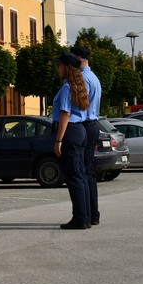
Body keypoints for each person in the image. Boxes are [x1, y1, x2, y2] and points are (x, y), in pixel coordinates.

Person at [53, 51, 91, 230]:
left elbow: (65, 113)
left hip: (70, 131)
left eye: (59, 65)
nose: (57, 68)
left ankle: (80, 218)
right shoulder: (78, 84)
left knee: (74, 176)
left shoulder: (68, 87)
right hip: (80, 130)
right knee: (80, 175)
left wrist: (58, 140)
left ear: (66, 68)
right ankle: (85, 216)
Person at [71, 44, 102, 226]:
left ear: (79, 59)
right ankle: (93, 213)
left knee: (83, 172)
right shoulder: (93, 77)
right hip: (92, 124)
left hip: (85, 124)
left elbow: (79, 105)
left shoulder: (82, 78)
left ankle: (88, 214)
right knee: (88, 172)